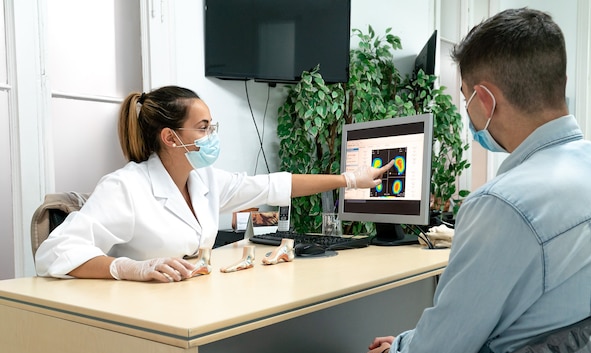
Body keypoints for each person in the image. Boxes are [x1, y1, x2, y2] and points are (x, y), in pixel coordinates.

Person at [263, 8, 591, 353]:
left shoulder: (504, 204)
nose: (468, 111)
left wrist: (395, 352)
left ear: (485, 100)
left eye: (466, 97)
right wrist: (412, 345)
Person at [35, 85, 392, 283]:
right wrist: (129, 268)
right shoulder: (125, 187)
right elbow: (53, 252)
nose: (211, 135)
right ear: (171, 138)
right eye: (203, 127)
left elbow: (272, 185)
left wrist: (349, 179)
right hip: (140, 324)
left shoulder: (202, 179)